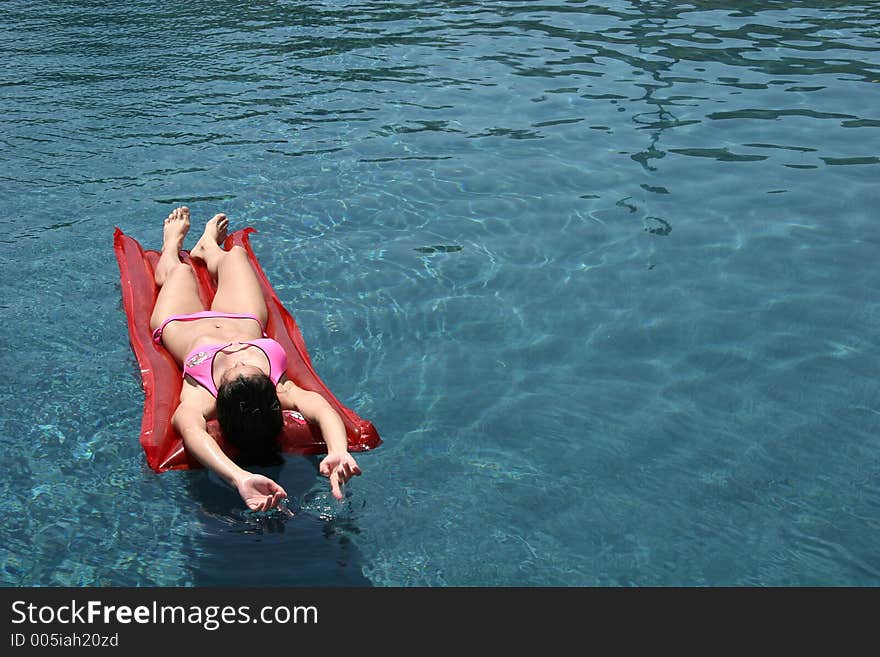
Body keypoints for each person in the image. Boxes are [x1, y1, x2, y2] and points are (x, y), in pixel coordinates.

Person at [149, 206, 361, 511]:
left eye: (230, 371)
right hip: (242, 315)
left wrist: (239, 477)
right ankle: (208, 248)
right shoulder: (279, 388)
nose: (235, 358)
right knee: (235, 256)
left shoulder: (201, 396)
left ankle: (170, 251)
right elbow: (321, 409)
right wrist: (337, 450)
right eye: (244, 366)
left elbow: (192, 430)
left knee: (180, 271)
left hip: (181, 320)